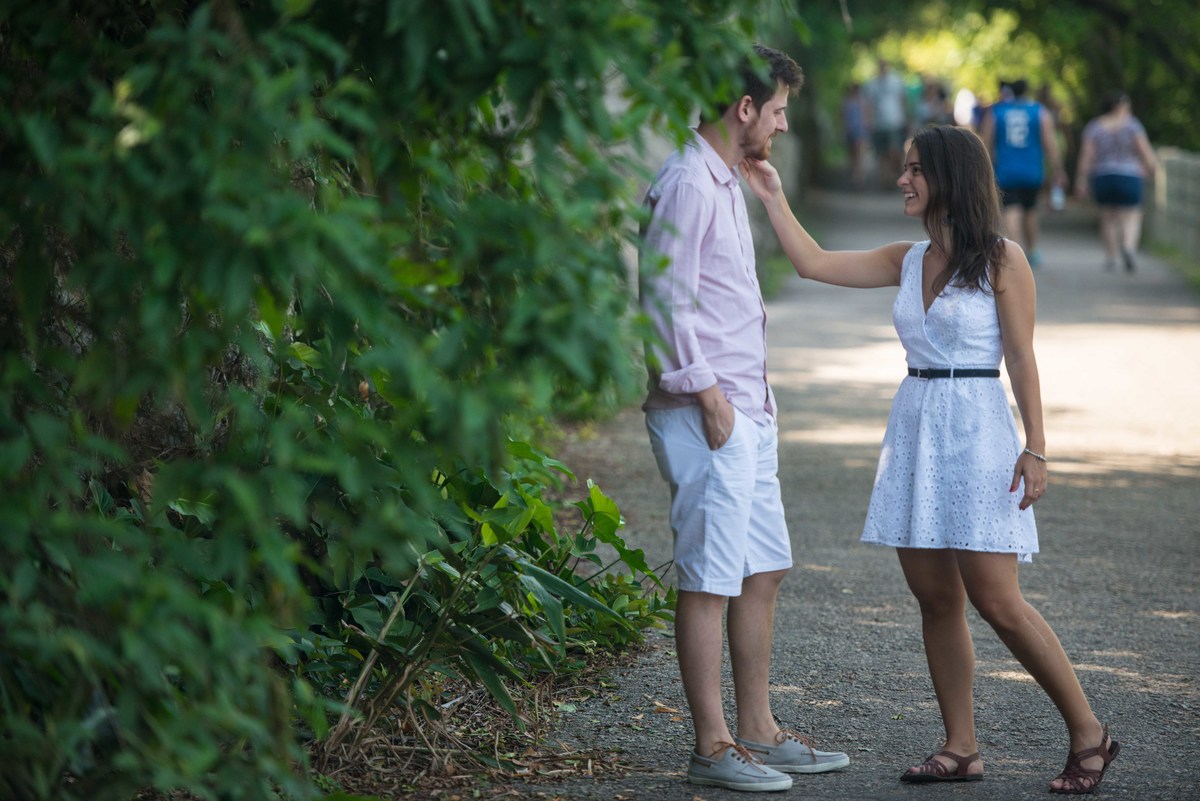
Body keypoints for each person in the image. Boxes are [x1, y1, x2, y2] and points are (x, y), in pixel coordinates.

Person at [740, 124, 1120, 795]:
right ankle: (960, 746)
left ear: (949, 176)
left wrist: (1037, 445)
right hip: (915, 428)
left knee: (999, 601)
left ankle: (1090, 732)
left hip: (979, 431)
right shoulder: (905, 257)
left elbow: (1024, 359)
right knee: (935, 599)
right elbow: (814, 263)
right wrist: (772, 197)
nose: (902, 179)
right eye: (904, 168)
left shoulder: (1004, 259)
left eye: (914, 169)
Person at [638, 44, 849, 793]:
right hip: (710, 413)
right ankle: (713, 744)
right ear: (746, 109)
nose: (785, 126)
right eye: (781, 110)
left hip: (745, 411)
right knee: (708, 578)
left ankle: (758, 729)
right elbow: (663, 301)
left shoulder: (727, 179)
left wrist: (745, 401)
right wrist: (706, 393)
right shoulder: (688, 182)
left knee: (764, 567)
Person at [979, 78, 1066, 268]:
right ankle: (1033, 250)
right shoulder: (1039, 111)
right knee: (1031, 209)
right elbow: (1050, 142)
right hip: (1033, 169)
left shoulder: (997, 112)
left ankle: (1015, 249)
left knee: (1011, 208)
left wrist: (982, 167)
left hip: (1006, 169)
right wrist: (1058, 168)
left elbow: (985, 141)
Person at [1074, 91, 1158, 272]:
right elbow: (1144, 150)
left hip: (1103, 175)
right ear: (1119, 106)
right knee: (1132, 214)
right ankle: (1128, 246)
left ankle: (1111, 255)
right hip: (1130, 175)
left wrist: (1081, 178)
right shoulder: (1133, 125)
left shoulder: (1095, 126)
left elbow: (1087, 155)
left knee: (1107, 217)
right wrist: (1153, 169)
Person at [865, 59, 908, 190]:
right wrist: (869, 120)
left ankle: (895, 174)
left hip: (895, 121)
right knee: (882, 153)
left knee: (894, 151)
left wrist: (904, 117)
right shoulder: (872, 84)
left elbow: (902, 100)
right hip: (879, 124)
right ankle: (885, 178)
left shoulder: (896, 81)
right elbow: (870, 104)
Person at [840, 82, 869, 187]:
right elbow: (843, 115)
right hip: (850, 130)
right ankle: (854, 172)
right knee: (852, 153)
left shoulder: (861, 101)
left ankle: (859, 174)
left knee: (859, 152)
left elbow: (866, 114)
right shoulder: (846, 101)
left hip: (859, 130)